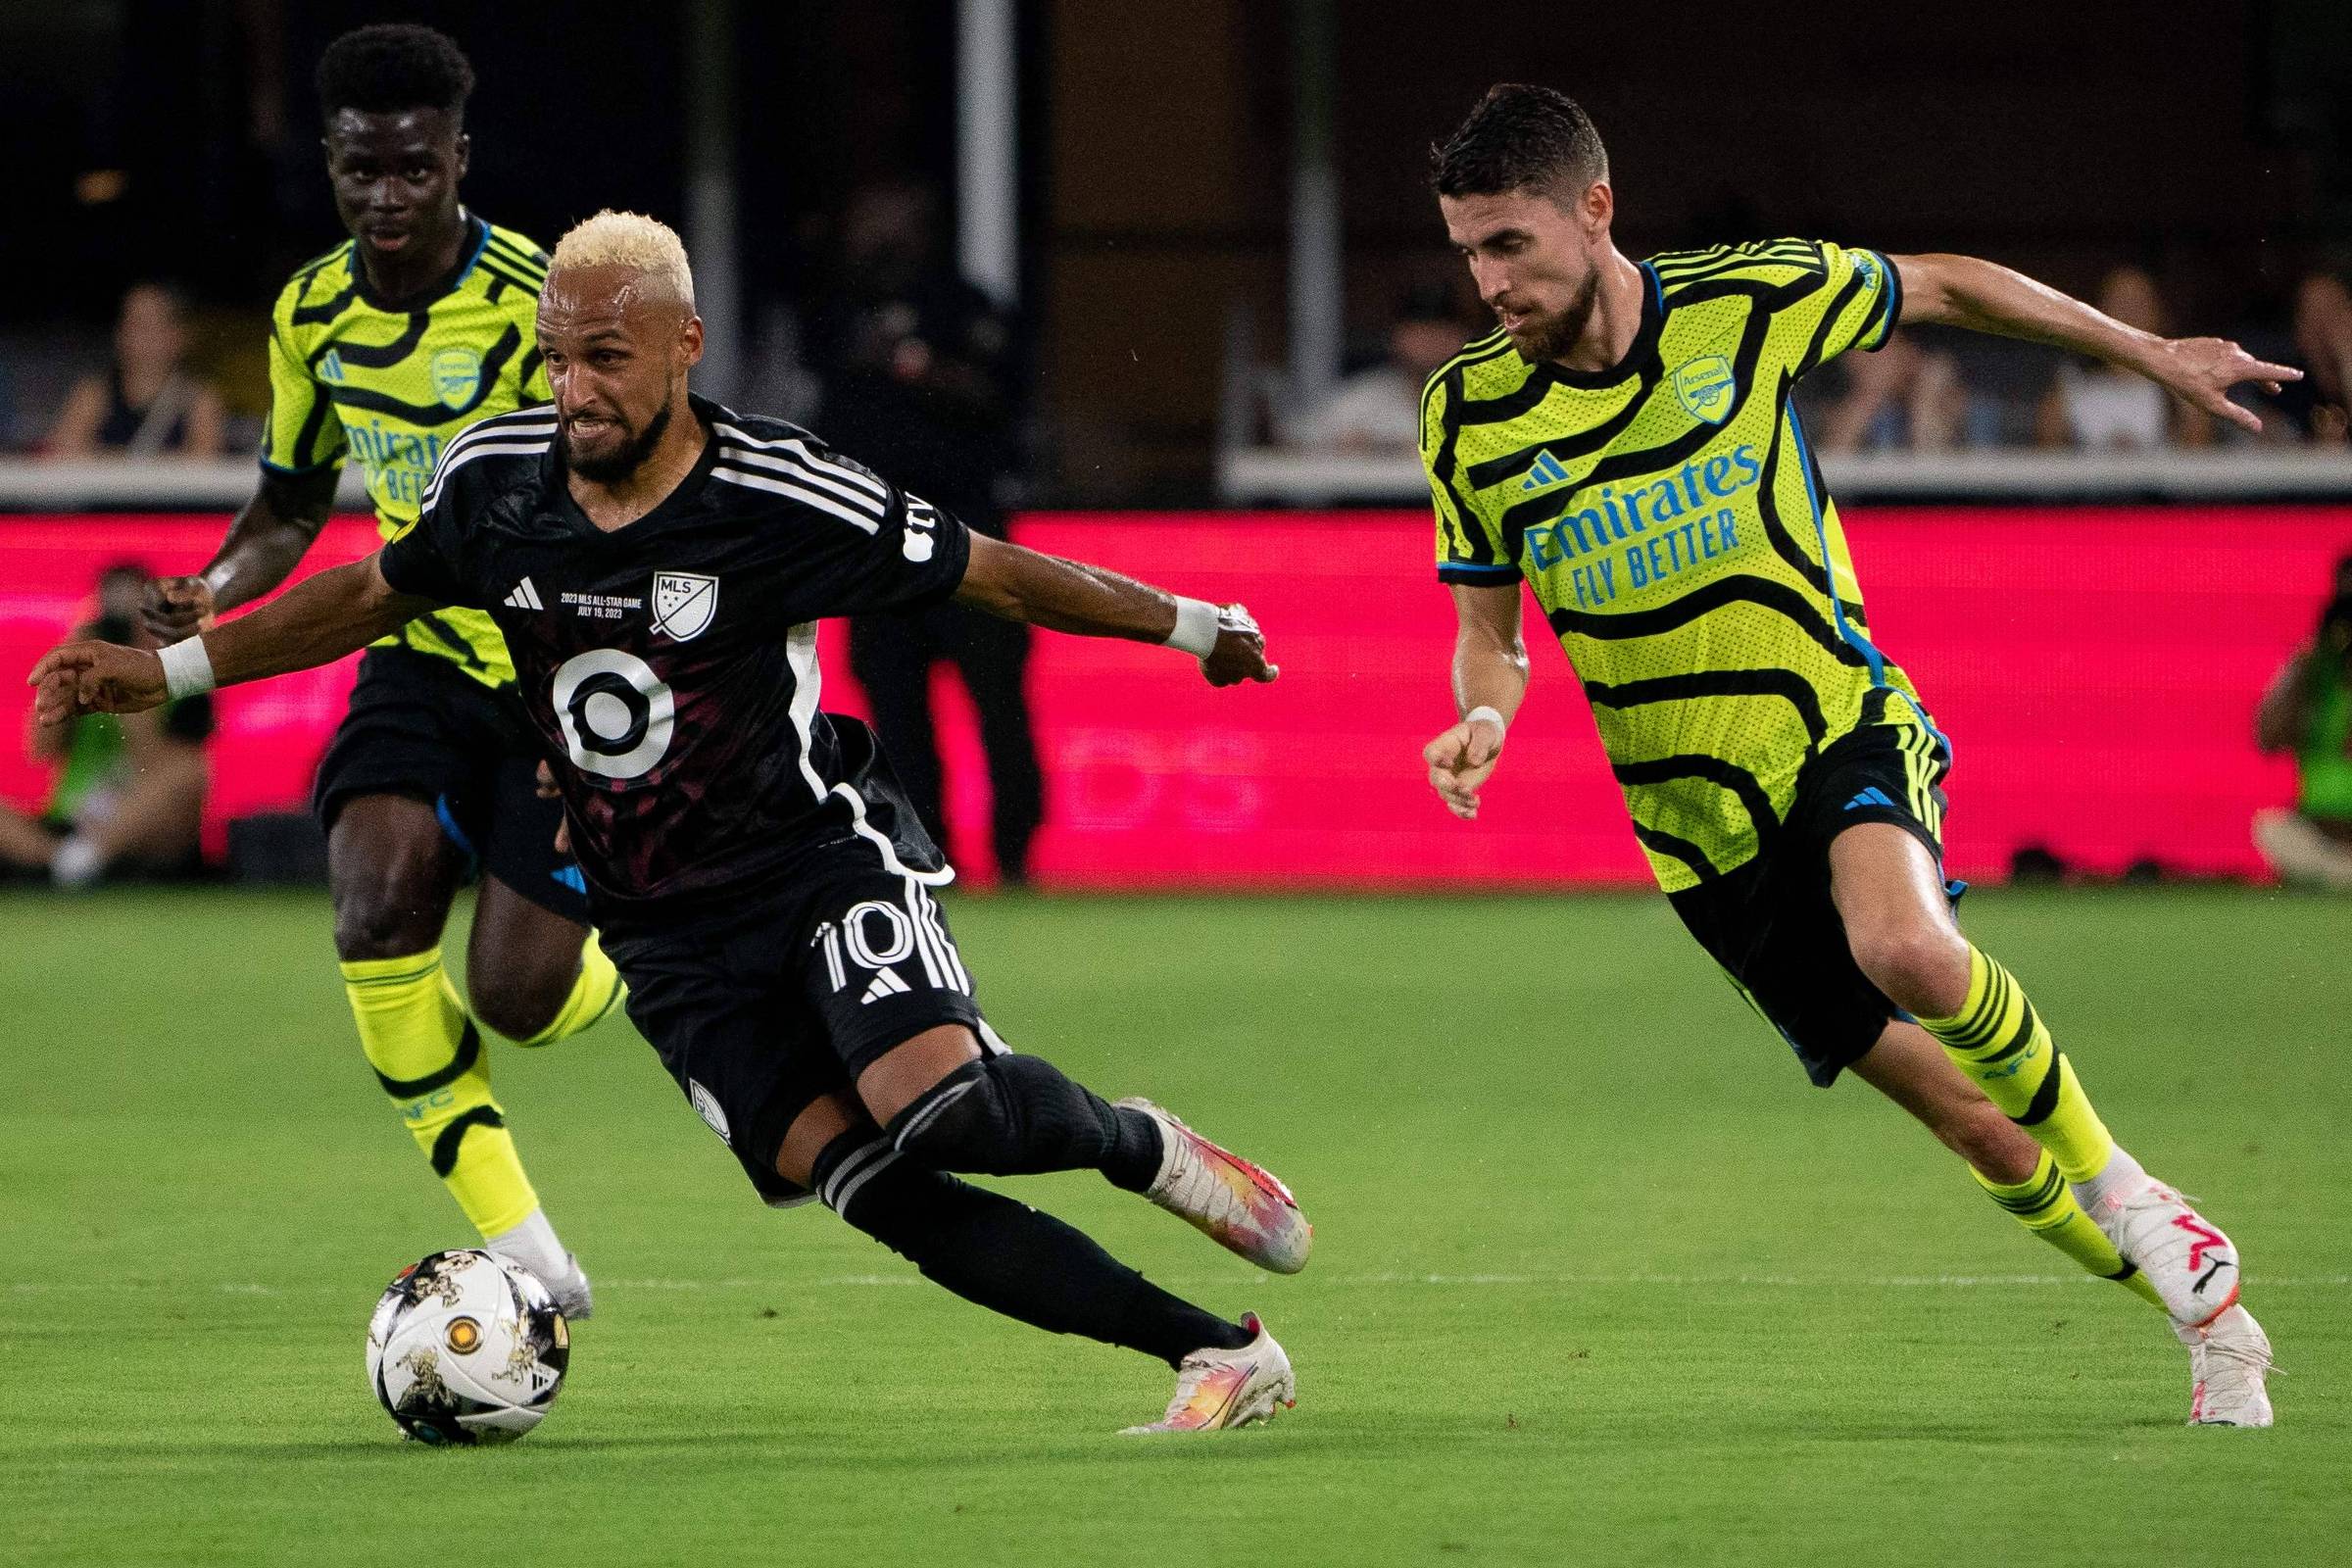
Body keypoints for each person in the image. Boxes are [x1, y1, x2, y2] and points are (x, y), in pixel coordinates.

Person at [34, 212, 1310, 1435]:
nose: (573, 387)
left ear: (684, 349)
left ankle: (1144, 1144)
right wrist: (176, 670)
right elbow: (367, 594)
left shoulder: (778, 492)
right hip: (664, 933)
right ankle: (1218, 1350)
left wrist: (1192, 625)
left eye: (606, 357)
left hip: (811, 863)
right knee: (881, 1193)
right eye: (554, 356)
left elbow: (991, 569)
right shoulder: (495, 483)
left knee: (943, 1112)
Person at [1416, 84, 2289, 1426]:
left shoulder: (1744, 303)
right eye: (1469, 251)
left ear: (1595, 210)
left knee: (1909, 948)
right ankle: (2211, 1321)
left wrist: (2147, 353)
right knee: (1979, 1125)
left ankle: (2126, 1187)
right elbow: (1495, 633)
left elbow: (1945, 286)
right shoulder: (1469, 414)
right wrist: (1483, 713)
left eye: (1511, 245)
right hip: (1697, 839)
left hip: (1833, 721)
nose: (1489, 282)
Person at [136, 24, 614, 1317]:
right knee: (374, 914)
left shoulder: (536, 302)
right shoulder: (311, 311)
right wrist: (218, 589)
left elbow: (618, 479)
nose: (386, 199)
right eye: (361, 174)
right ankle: (529, 1254)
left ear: (457, 156)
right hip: (413, 654)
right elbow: (288, 505)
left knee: (521, 995)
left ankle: (649, 928)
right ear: (332, 168)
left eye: (412, 170)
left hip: (558, 672)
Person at [808, 182, 1045, 883]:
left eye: (891, 219)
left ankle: (1016, 853)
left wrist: (918, 368)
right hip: (877, 552)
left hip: (972, 542)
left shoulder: (965, 307)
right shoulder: (836, 319)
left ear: (922, 226)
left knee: (999, 703)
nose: (875, 235)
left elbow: (1000, 400)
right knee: (897, 713)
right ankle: (924, 853)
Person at [0, 564, 209, 887]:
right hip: (70, 823)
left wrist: (131, 677)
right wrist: (65, 668)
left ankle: (86, 858)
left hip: (139, 824)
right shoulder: (81, 672)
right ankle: (65, 862)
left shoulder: (184, 682)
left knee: (187, 771)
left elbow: (157, 769)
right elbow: (40, 750)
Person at [2253, 552, 2352, 887]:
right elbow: (2267, 739)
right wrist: (2300, 669)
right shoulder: (2313, 672)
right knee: (2271, 828)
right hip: (2323, 835)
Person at [2034, 266, 2213, 449]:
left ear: (2157, 312)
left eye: (2137, 304)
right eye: (2119, 303)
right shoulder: (2071, 385)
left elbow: (2197, 454)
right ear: (2098, 312)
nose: (2128, 314)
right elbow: (2047, 455)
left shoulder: (2182, 387)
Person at [43, 282, 227, 459]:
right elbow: (62, 454)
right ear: (120, 334)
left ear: (177, 336)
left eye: (155, 324)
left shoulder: (200, 401)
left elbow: (203, 461)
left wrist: (102, 457)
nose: (145, 336)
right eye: (136, 324)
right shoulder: (93, 395)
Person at [1292, 283, 1470, 453]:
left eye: (1442, 332)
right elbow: (1296, 441)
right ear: (1397, 339)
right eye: (1420, 333)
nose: (1431, 343)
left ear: (1463, 338)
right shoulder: (1365, 398)